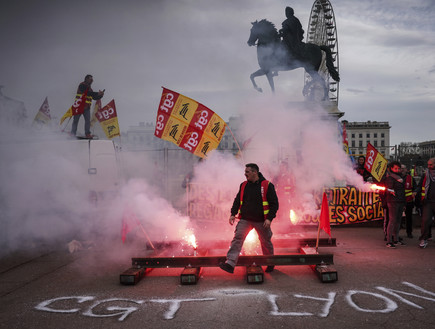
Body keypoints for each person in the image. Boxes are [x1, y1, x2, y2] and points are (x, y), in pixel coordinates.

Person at [219, 163, 279, 273]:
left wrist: (269, 219)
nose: (244, 174)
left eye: (247, 172)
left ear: (254, 172)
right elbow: (237, 200)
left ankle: (270, 262)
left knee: (266, 242)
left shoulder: (267, 185)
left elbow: (274, 204)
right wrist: (233, 213)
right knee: (237, 238)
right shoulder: (243, 185)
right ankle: (230, 263)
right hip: (245, 219)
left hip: (262, 221)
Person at [71, 74, 104, 139]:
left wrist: (100, 95)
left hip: (86, 108)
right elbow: (87, 93)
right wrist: (97, 93)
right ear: (86, 79)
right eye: (90, 79)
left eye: (92, 80)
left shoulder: (90, 89)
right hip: (79, 107)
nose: (92, 81)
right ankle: (72, 133)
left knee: (87, 121)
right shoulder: (82, 85)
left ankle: (87, 134)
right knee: (75, 120)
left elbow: (94, 97)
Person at [414, 158, 435, 249]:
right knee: (425, 221)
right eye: (428, 164)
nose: (428, 166)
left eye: (431, 165)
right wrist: (416, 191)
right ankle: (424, 239)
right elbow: (420, 186)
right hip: (428, 202)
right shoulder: (425, 174)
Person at [384, 161, 406, 248]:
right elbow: (388, 188)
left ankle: (396, 239)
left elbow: (402, 191)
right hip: (393, 201)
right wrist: (391, 191)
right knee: (392, 221)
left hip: (400, 201)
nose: (397, 170)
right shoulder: (390, 177)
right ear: (391, 168)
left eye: (398, 168)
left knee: (398, 221)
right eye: (395, 168)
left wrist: (403, 202)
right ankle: (389, 241)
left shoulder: (400, 177)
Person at [401, 164, 416, 238]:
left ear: (406, 170)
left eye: (403, 168)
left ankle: (409, 232)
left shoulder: (411, 178)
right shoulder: (396, 178)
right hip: (399, 201)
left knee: (409, 218)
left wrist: (414, 192)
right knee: (397, 218)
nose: (402, 170)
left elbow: (415, 188)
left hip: (408, 201)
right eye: (401, 168)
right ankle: (396, 233)